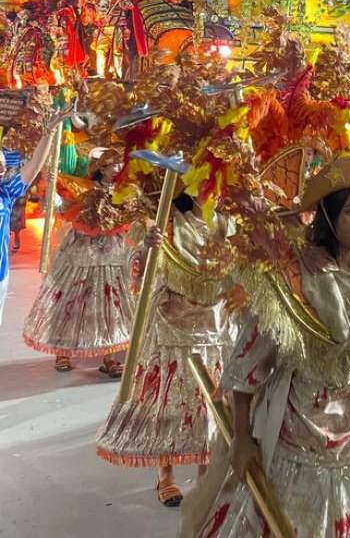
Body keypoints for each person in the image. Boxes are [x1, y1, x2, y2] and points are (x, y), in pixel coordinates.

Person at [181, 155, 350, 538]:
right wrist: (242, 437)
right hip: (295, 424)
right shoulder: (295, 274)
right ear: (330, 217)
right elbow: (249, 359)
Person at [96, 190, 235, 508]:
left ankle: (206, 474)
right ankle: (165, 475)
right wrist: (148, 247)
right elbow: (140, 272)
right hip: (172, 325)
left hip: (216, 327)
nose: (213, 188)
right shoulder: (170, 221)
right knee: (166, 404)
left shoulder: (229, 223)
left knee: (210, 407)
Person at [22, 148, 134, 376]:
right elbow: (64, 208)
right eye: (113, 165)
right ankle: (63, 352)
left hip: (113, 254)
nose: (117, 169)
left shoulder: (125, 191)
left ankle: (110, 357)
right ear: (101, 168)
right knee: (71, 302)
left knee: (111, 305)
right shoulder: (84, 189)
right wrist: (51, 190)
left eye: (118, 164)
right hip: (81, 253)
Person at [0, 108, 70, 326]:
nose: (3, 168)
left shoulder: (6, 193)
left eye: (3, 164)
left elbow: (32, 167)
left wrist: (48, 132)